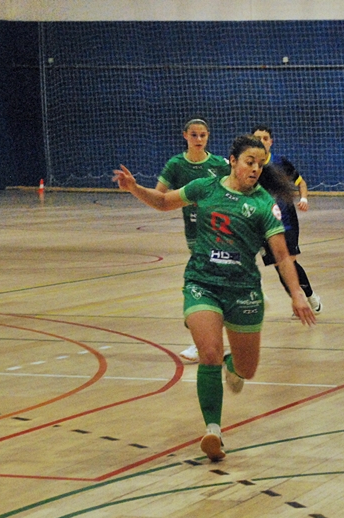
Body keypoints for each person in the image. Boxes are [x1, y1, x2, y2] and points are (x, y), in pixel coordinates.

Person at [113, 135, 315, 463]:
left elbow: (282, 255)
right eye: (249, 161)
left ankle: (235, 366)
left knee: (247, 370)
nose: (255, 169)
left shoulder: (264, 203)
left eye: (260, 164)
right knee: (209, 353)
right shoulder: (205, 187)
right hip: (202, 282)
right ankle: (213, 431)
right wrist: (135, 188)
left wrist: (297, 295)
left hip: (243, 289)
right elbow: (164, 202)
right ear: (232, 160)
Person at [154, 117, 231, 364]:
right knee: (209, 283)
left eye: (203, 135)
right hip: (193, 233)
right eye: (194, 135)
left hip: (219, 234)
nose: (199, 140)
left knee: (202, 283)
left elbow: (236, 190)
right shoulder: (176, 165)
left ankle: (204, 341)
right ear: (185, 135)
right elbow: (159, 195)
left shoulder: (219, 164)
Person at [251, 125, 322, 315]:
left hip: (286, 220)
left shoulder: (280, 162)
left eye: (265, 138)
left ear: (271, 141)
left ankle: (309, 294)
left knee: (289, 261)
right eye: (257, 138)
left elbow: (301, 183)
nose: (261, 141)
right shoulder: (249, 165)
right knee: (278, 266)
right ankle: (296, 300)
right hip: (262, 223)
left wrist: (304, 198)